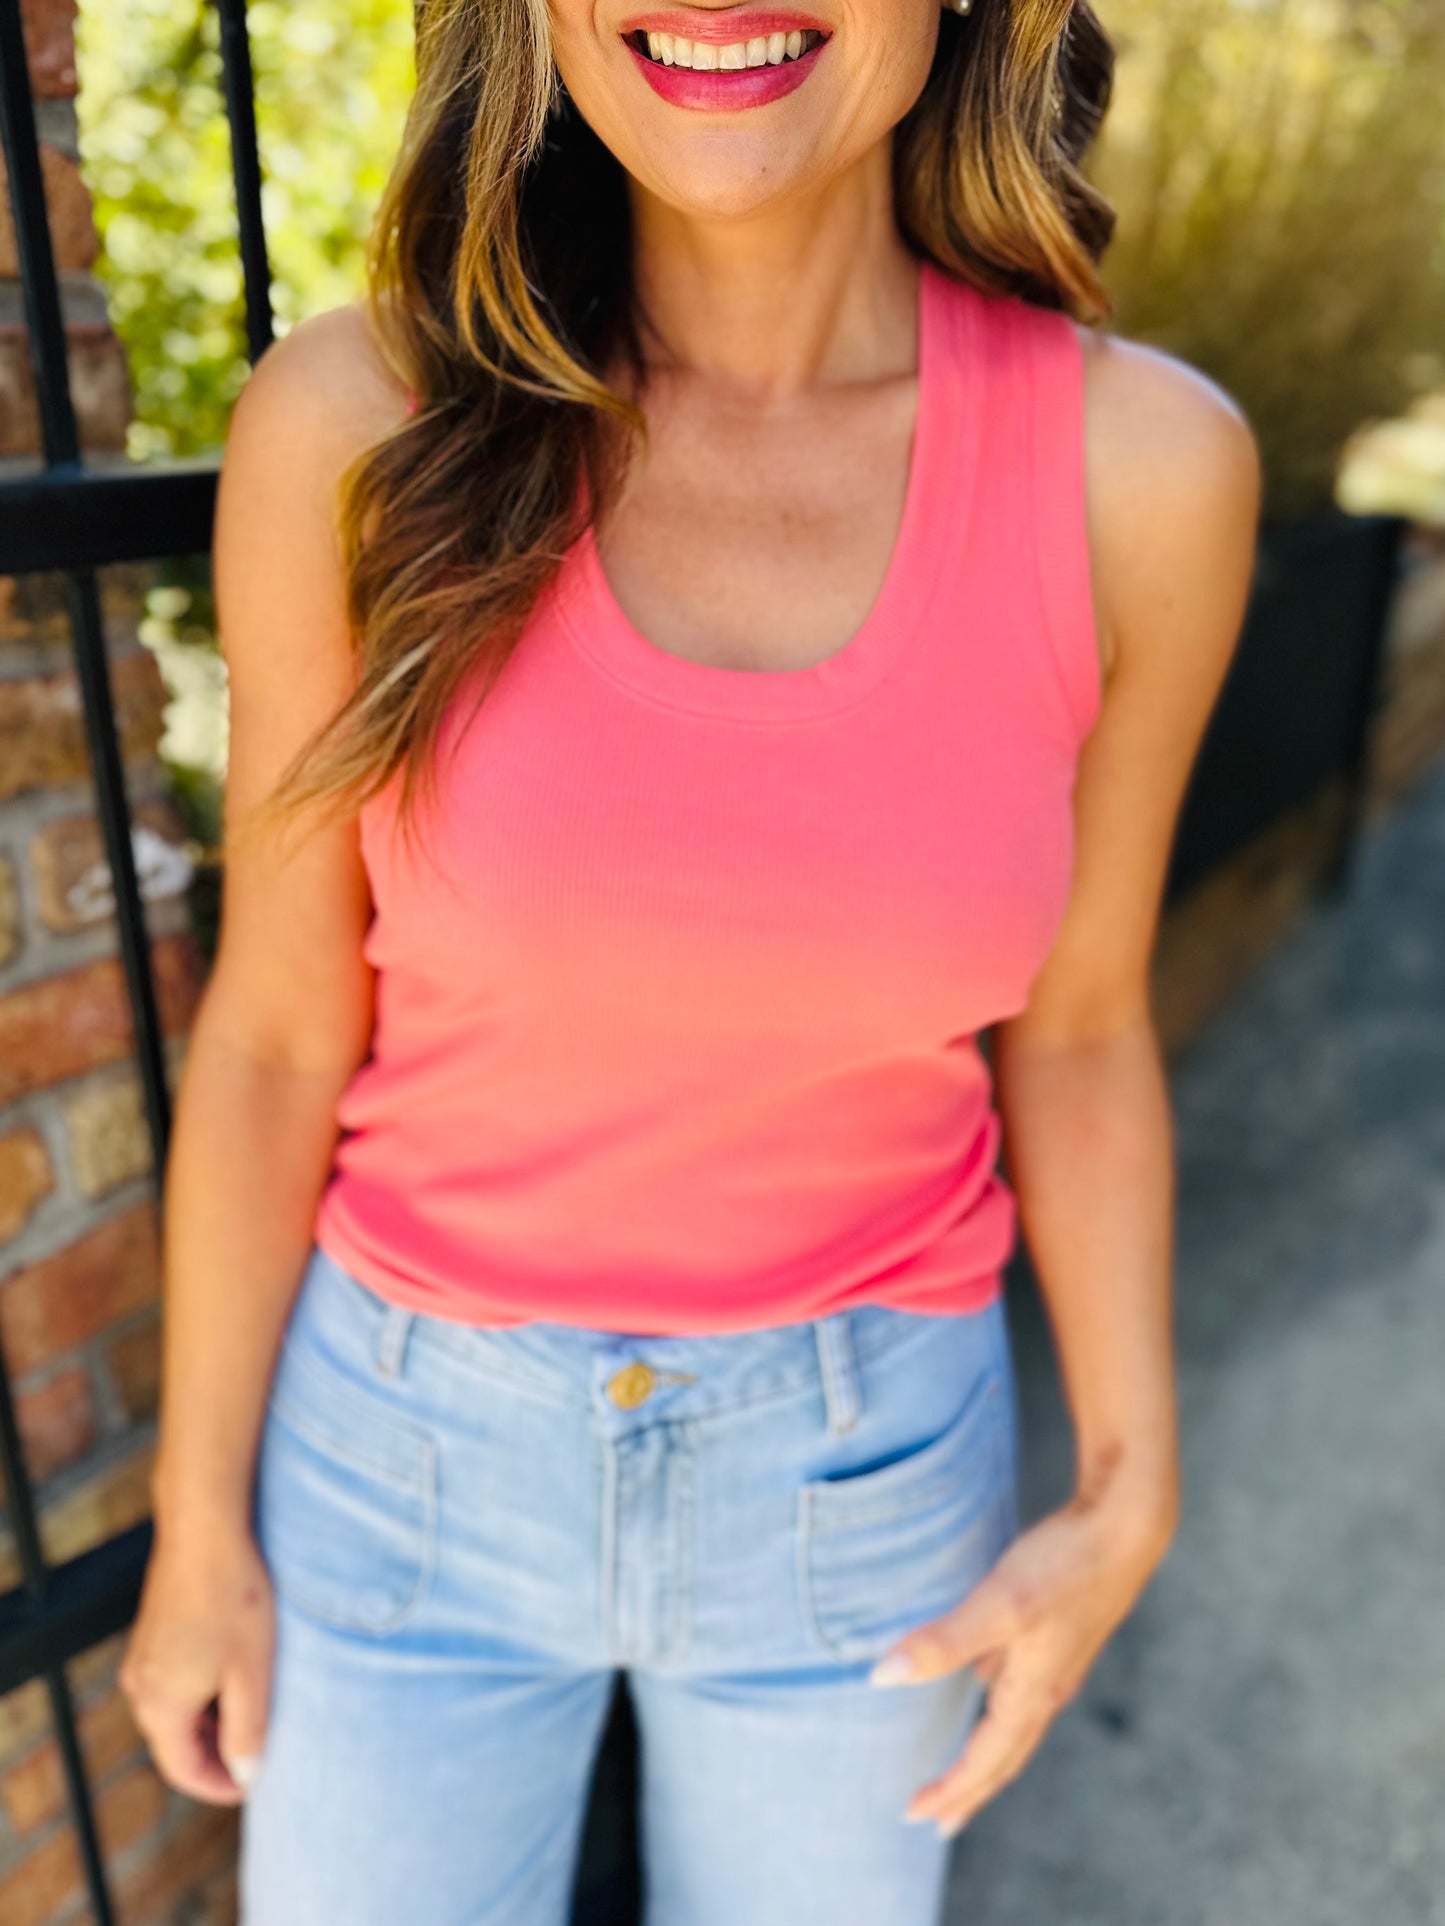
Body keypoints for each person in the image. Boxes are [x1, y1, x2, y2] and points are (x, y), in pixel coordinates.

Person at [119, 1, 1261, 1921]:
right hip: (397, 1459)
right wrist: (193, 1522)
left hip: (860, 1479)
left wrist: (1129, 1482)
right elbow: (277, 1032)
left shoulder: (1136, 468)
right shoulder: (357, 427)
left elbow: (1077, 1027)